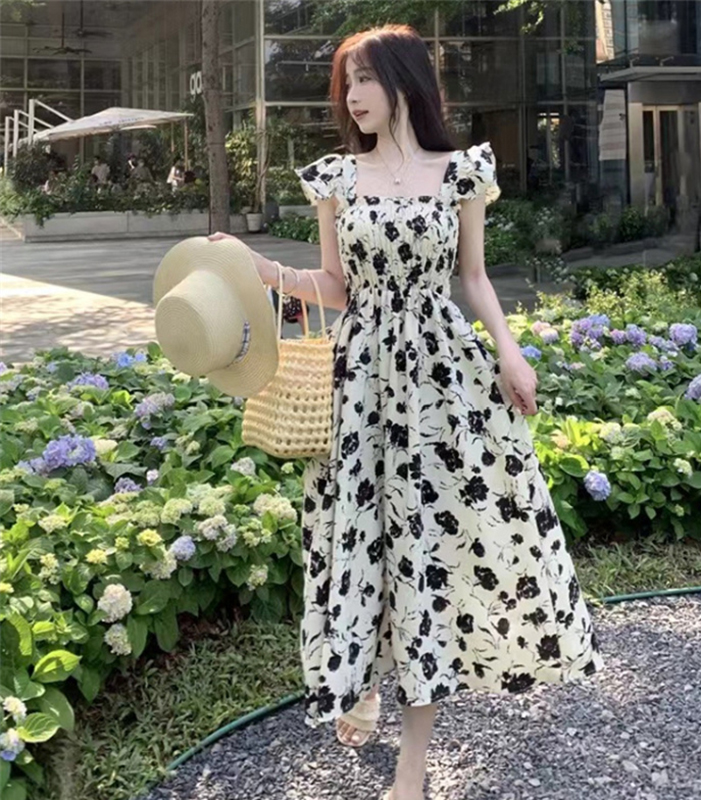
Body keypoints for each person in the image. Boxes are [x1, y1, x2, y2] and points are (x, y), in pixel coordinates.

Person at [208, 23, 604, 800]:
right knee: (361, 539)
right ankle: (361, 679)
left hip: (440, 382)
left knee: (427, 549)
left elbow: (474, 278)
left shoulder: (461, 172)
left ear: (403, 81)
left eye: (364, 78)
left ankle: (411, 771)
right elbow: (336, 287)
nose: (351, 95)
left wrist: (511, 352)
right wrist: (265, 269)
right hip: (360, 382)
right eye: (345, 82)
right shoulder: (337, 178)